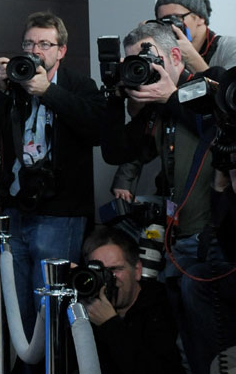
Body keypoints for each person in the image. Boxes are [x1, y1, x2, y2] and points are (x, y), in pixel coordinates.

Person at [99, 22, 232, 374]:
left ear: (175, 55)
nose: (141, 68)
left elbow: (221, 127)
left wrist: (171, 96)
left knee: (218, 348)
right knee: (187, 345)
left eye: (146, 58)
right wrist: (115, 92)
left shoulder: (210, 85)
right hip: (178, 242)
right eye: (133, 62)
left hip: (214, 241)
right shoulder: (155, 107)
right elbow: (116, 151)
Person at [0, 11, 105, 344]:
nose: (36, 50)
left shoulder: (78, 85)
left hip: (60, 214)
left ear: (61, 50)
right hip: (15, 211)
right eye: (29, 43)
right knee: (20, 314)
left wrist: (48, 92)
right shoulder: (13, 84)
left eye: (45, 43)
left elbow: (98, 129)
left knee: (51, 310)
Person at [112, 0, 236, 201]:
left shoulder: (228, 47)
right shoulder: (160, 61)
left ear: (200, 18)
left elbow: (227, 97)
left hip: (216, 177)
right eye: (162, 21)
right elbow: (147, 125)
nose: (169, 26)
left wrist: (188, 56)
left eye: (175, 19)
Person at [80, 226, 183, 374]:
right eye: (99, 272)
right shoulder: (86, 305)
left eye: (115, 269)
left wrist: (110, 325)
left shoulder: (161, 305)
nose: (108, 279)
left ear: (137, 270)